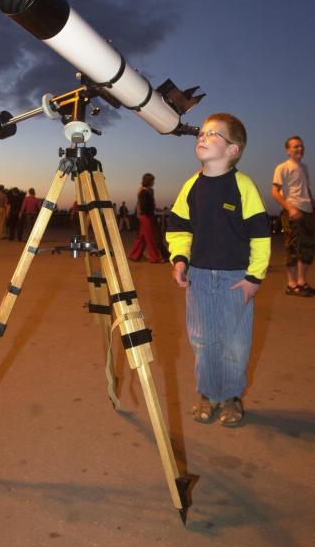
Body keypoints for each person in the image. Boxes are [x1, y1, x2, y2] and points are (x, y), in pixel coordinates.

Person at [166, 113, 271, 427]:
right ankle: (209, 394)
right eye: (203, 132)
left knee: (234, 343)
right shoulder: (191, 186)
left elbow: (260, 234)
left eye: (214, 134)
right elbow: (178, 227)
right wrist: (180, 259)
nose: (203, 137)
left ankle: (231, 396)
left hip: (234, 279)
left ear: (233, 150)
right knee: (202, 339)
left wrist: (254, 277)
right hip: (198, 277)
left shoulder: (244, 186)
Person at [272, 136, 315, 296]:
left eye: (301, 146)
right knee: (293, 249)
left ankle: (302, 283)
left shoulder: (304, 167)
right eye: (296, 146)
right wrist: (290, 208)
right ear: (288, 150)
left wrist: (312, 206)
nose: (300, 149)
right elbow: (275, 192)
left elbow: (307, 190)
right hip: (293, 211)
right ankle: (291, 285)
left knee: (307, 249)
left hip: (307, 211)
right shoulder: (283, 168)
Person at [128, 173, 165, 263]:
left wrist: (154, 208)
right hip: (146, 217)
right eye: (152, 181)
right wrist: (151, 211)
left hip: (145, 216)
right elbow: (144, 206)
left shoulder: (147, 190)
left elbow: (145, 205)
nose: (153, 182)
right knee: (150, 237)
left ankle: (134, 255)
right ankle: (154, 258)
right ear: (149, 181)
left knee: (142, 237)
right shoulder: (143, 191)